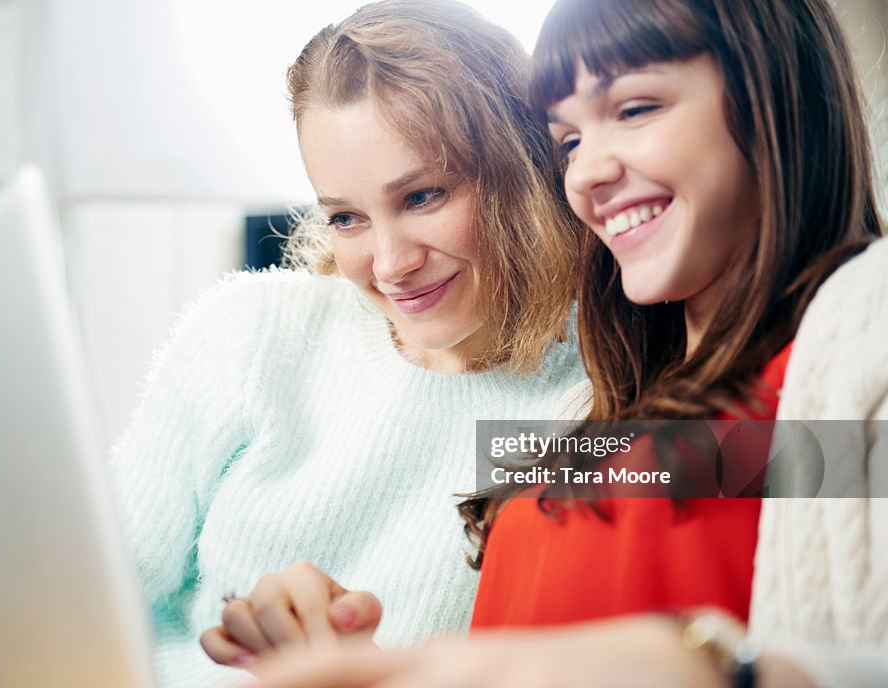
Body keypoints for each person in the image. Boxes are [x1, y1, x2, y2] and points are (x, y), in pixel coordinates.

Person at [251, 0, 888, 686]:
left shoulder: (851, 358)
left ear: (777, 98)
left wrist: (714, 666)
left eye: (635, 109)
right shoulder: (601, 404)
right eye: (568, 143)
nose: (585, 174)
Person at [109, 2, 587, 686]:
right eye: (346, 217)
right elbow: (85, 609)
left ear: (525, 167)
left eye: (423, 196)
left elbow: (791, 477)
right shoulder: (251, 334)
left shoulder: (603, 396)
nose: (389, 264)